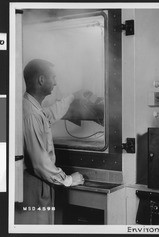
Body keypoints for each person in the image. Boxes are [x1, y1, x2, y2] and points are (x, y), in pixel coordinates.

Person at [16, 59, 85, 224]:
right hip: (32, 185)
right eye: (53, 77)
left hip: (36, 182)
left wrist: (72, 97)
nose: (55, 83)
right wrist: (68, 180)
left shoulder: (31, 107)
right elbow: (40, 163)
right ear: (41, 80)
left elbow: (49, 114)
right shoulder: (31, 114)